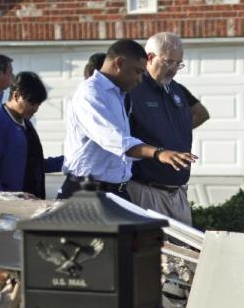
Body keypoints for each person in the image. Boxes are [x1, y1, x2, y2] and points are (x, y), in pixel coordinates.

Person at [59, 39, 195, 200]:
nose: (140, 79)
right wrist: (159, 153)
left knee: (150, 226)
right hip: (86, 192)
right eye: (138, 71)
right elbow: (116, 141)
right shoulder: (91, 93)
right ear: (119, 63)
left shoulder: (119, 94)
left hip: (117, 190)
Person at [127, 32, 209, 225]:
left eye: (178, 63)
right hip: (146, 191)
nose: (173, 69)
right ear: (150, 57)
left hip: (178, 193)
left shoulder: (176, 89)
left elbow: (201, 113)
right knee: (151, 253)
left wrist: (173, 135)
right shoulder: (133, 89)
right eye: (168, 62)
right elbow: (120, 140)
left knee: (183, 254)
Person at [0, 71, 62, 199]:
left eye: (38, 104)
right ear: (16, 96)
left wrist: (68, 162)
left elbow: (32, 164)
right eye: (32, 103)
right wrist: (1, 199)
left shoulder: (26, 125)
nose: (35, 108)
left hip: (14, 202)